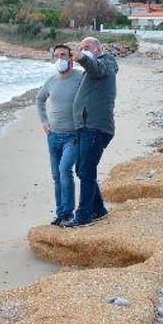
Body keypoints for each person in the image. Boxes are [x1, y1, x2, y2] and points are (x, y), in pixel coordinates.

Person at [61, 37, 118, 228]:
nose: (83, 50)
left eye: (87, 47)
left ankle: (83, 216)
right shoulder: (90, 70)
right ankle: (98, 209)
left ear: (97, 48)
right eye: (81, 48)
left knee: (85, 170)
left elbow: (97, 68)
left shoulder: (106, 63)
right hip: (86, 127)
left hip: (96, 127)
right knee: (82, 169)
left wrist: (82, 58)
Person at [36, 44, 84, 226]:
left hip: (73, 136)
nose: (60, 59)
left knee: (65, 171)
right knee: (57, 176)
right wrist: (43, 121)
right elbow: (39, 99)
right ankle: (60, 213)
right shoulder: (51, 81)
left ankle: (68, 214)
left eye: (63, 55)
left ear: (71, 57)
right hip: (53, 136)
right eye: (56, 56)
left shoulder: (81, 78)